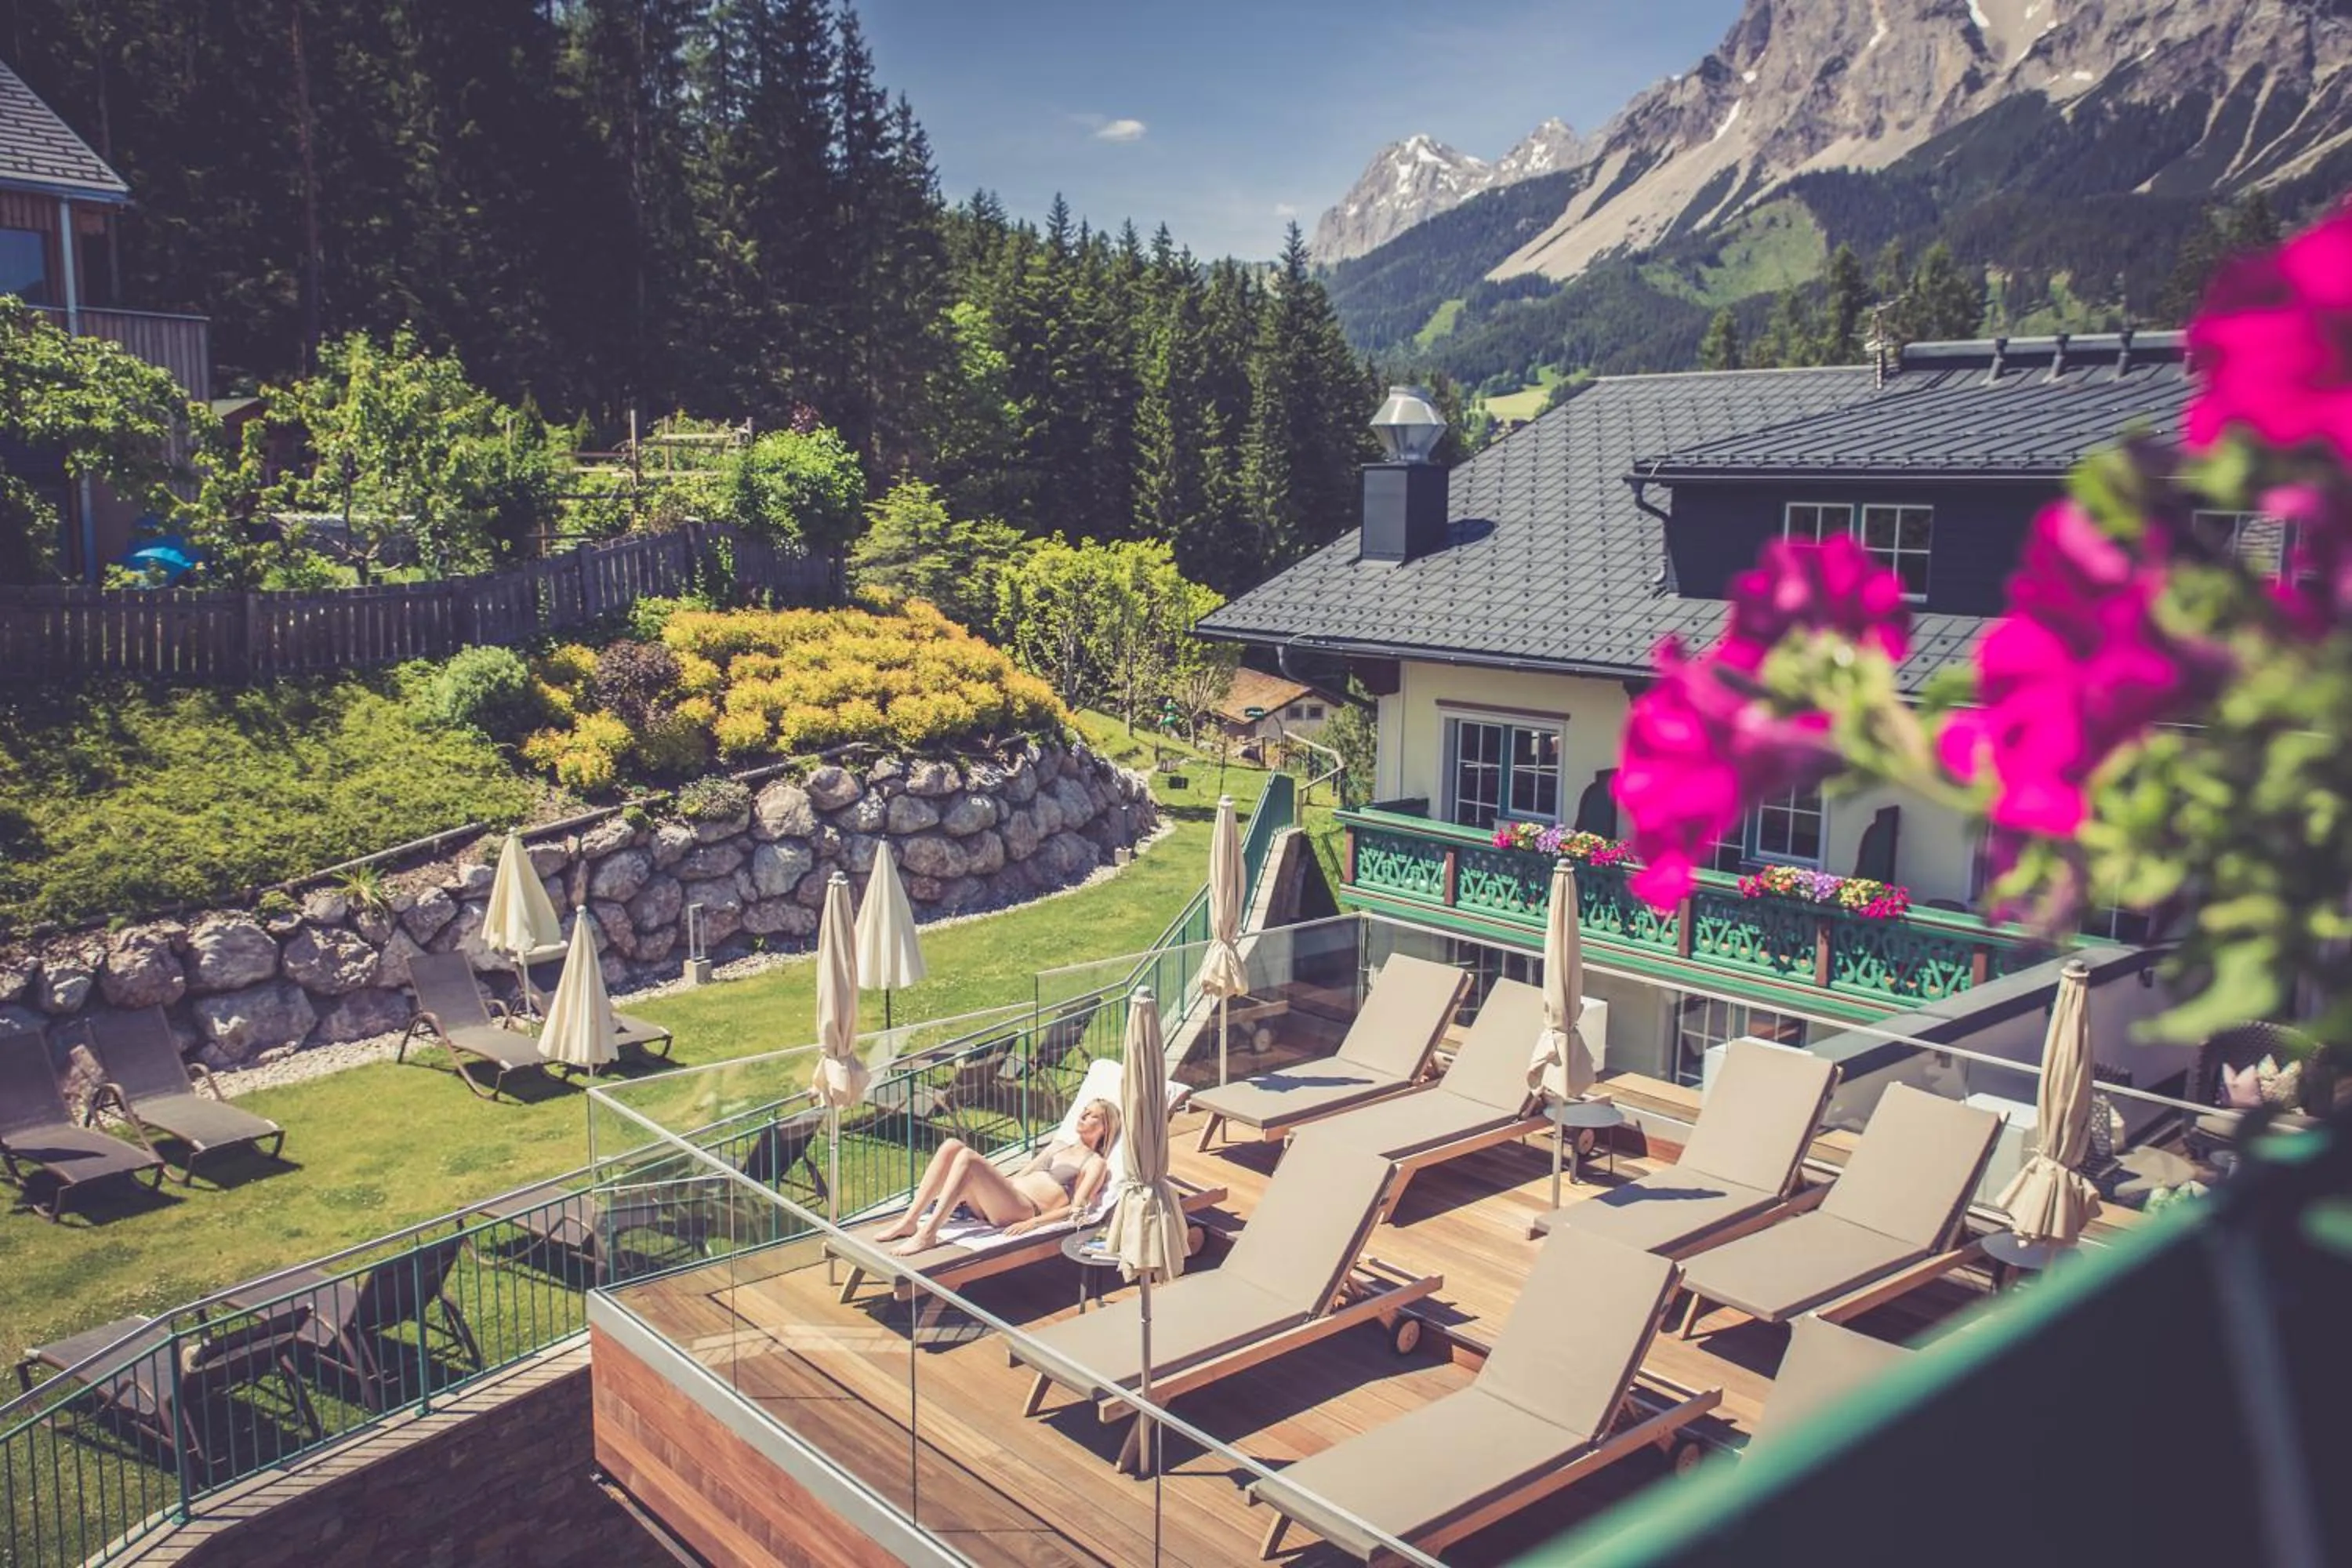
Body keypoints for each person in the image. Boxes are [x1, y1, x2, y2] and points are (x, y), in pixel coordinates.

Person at [874, 1099, 1120, 1256]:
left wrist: (1032, 1224)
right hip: (1004, 1199)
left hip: (1025, 1210)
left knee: (968, 1158)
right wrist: (987, 1184)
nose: (1083, 1116)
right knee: (951, 1146)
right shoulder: (1058, 1146)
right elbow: (1022, 1174)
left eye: (1092, 1116)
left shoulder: (1095, 1163)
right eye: (1084, 1111)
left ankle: (927, 1234)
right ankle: (910, 1220)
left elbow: (1079, 1209)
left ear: (1105, 1128)